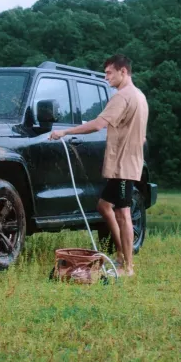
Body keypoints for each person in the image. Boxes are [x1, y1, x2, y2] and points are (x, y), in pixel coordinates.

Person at [48, 54, 149, 277]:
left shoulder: (122, 97)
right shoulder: (140, 96)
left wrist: (65, 131)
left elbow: (98, 125)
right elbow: (139, 136)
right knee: (105, 206)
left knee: (123, 213)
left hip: (123, 167)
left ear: (124, 72)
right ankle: (121, 255)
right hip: (127, 164)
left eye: (109, 73)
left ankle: (128, 267)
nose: (106, 77)